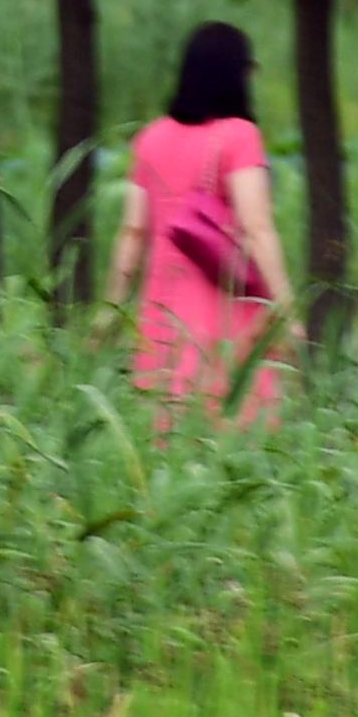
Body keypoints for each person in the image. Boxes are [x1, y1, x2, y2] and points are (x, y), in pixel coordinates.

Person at [111, 22, 300, 421]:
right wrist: (286, 306)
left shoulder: (150, 138)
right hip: (226, 314)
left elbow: (131, 233)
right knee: (231, 429)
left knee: (164, 430)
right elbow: (257, 228)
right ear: (236, 74)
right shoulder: (239, 136)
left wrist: (111, 308)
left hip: (160, 315)